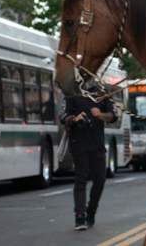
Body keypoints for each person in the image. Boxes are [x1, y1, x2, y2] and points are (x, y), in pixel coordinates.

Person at [59, 89, 118, 231]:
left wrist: (100, 114)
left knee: (100, 179)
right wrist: (75, 118)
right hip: (78, 143)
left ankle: (91, 210)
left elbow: (113, 116)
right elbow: (62, 116)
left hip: (97, 144)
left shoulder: (101, 93)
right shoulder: (72, 93)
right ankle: (79, 217)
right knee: (81, 178)